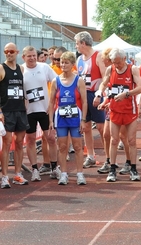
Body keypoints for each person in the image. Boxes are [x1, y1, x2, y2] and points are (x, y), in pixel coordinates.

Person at [97, 48, 141, 182]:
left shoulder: (132, 69)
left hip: (130, 110)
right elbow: (104, 84)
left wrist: (127, 94)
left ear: (124, 59)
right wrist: (100, 94)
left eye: (118, 62)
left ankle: (133, 168)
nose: (116, 65)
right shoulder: (110, 69)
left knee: (131, 140)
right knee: (113, 140)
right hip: (115, 110)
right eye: (114, 62)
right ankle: (112, 169)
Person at [48, 51, 87, 185]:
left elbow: (85, 101)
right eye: (62, 62)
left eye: (66, 62)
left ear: (72, 65)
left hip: (75, 117)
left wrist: (84, 120)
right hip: (61, 118)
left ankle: (80, 174)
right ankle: (63, 174)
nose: (63, 65)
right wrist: (51, 121)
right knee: (62, 146)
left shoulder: (78, 80)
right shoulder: (56, 80)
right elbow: (52, 102)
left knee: (77, 146)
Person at [21, 46, 59, 181]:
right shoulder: (21, 70)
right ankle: (35, 169)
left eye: (33, 55)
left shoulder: (44, 67)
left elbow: (57, 83)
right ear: (23, 57)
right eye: (29, 56)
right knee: (30, 140)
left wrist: (53, 101)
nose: (32, 58)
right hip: (28, 111)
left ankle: (54, 167)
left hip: (45, 110)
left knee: (51, 138)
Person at [75, 31, 107, 169]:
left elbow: (106, 77)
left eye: (77, 43)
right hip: (84, 96)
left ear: (83, 43)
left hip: (96, 94)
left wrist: (99, 94)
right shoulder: (79, 59)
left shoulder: (98, 56)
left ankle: (109, 158)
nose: (76, 46)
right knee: (86, 127)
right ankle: (91, 156)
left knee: (101, 127)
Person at [0, 43, 29, 189]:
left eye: (11, 51)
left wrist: (25, 105)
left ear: (17, 52)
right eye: (6, 51)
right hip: (7, 111)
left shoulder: (21, 68)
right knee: (7, 143)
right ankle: (4, 176)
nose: (8, 54)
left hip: (20, 110)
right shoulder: (1, 68)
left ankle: (18, 174)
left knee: (19, 142)